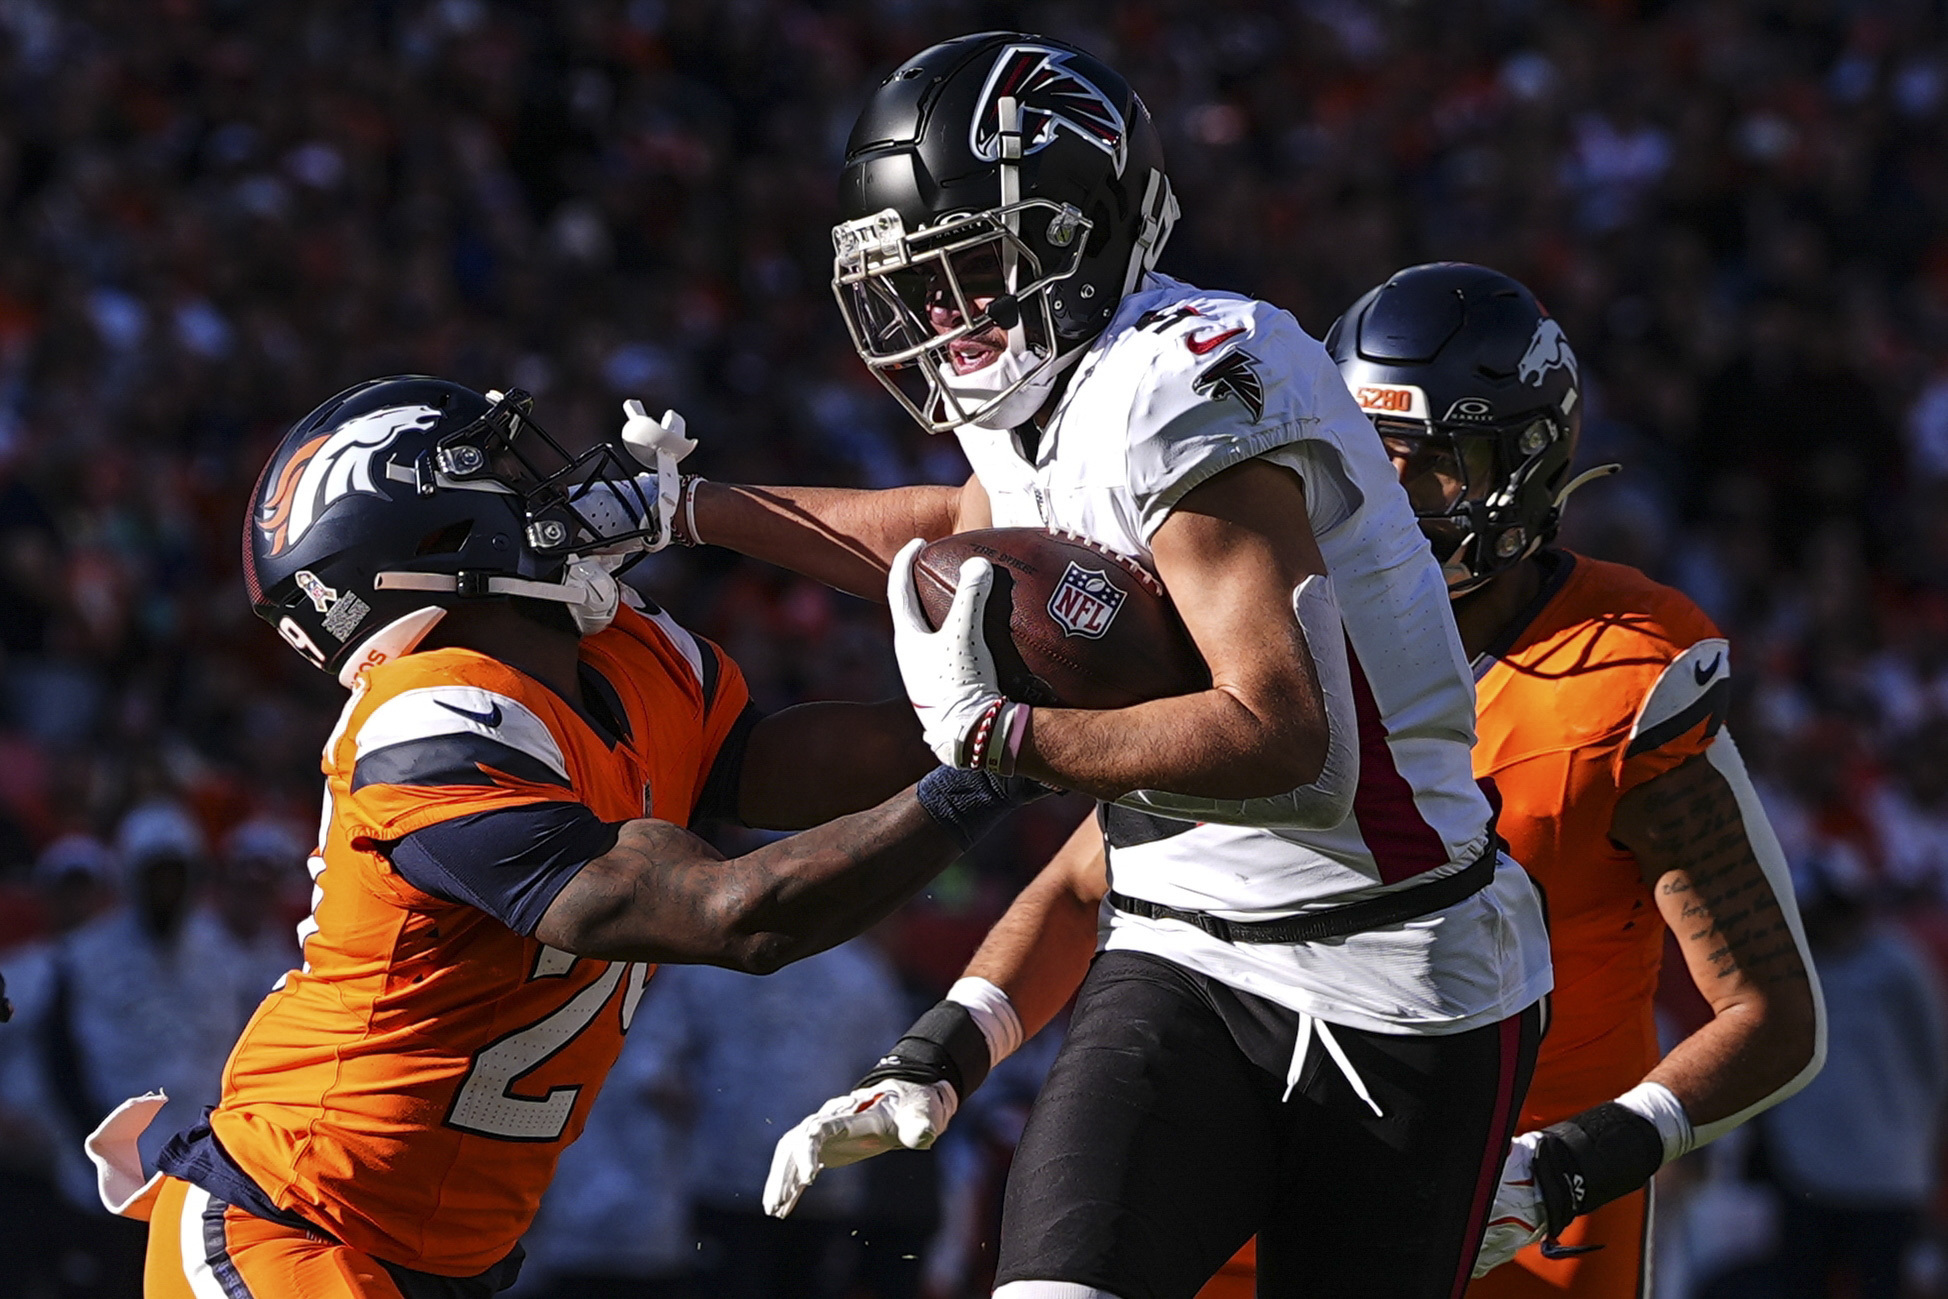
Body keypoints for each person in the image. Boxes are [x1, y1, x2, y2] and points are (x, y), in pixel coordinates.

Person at [768, 263, 1830, 1299]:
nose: (1389, 492)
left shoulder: (1619, 675)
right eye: (1363, 451)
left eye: (1434, 464)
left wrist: (1581, 1161)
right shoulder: (1257, 625)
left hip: (1520, 1220)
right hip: (1247, 1165)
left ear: (1525, 467)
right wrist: (937, 1052)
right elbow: (1083, 883)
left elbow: (1771, 1013)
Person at [684, 34, 1554, 1297]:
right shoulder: (1053, 382)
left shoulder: (1179, 380)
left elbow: (1285, 742)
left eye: (972, 268)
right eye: (918, 282)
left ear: (1078, 232)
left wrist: (1000, 742)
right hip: (1180, 954)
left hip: (1402, 976)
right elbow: (953, 528)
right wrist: (687, 508)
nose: (944, 315)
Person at [83, 376, 1043, 1299]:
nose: (549, 489)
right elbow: (734, 914)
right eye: (497, 472)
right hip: (290, 1217)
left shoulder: (626, 653)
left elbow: (788, 762)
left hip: (441, 1259)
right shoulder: (427, 718)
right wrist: (1003, 757)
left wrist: (1010, 692)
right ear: (433, 533)